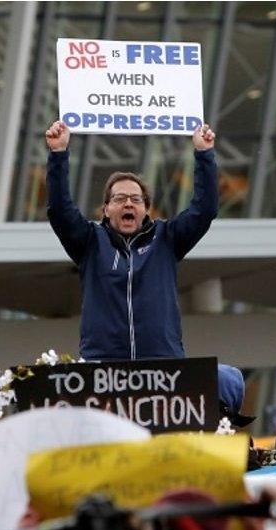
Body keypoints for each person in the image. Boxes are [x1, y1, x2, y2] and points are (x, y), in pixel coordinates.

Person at [45, 120, 218, 361]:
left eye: (136, 199)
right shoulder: (90, 242)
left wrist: (204, 154)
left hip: (162, 363)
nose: (128, 203)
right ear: (106, 209)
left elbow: (205, 209)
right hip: (104, 363)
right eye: (120, 199)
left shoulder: (167, 238)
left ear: (147, 209)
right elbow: (59, 210)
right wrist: (58, 154)